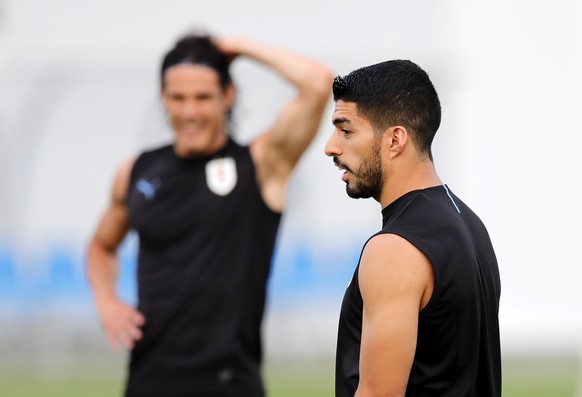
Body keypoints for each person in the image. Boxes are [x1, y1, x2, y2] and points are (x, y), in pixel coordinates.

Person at [86, 32, 332, 397]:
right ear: (163, 99)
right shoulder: (135, 172)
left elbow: (317, 83)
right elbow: (101, 246)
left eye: (203, 97)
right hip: (148, 381)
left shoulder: (261, 165)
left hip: (231, 384)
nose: (190, 112)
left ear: (227, 96)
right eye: (178, 98)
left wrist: (241, 46)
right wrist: (106, 301)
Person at [325, 60, 501, 397]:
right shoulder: (471, 225)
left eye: (346, 130)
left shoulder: (394, 249)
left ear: (395, 140)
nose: (331, 147)